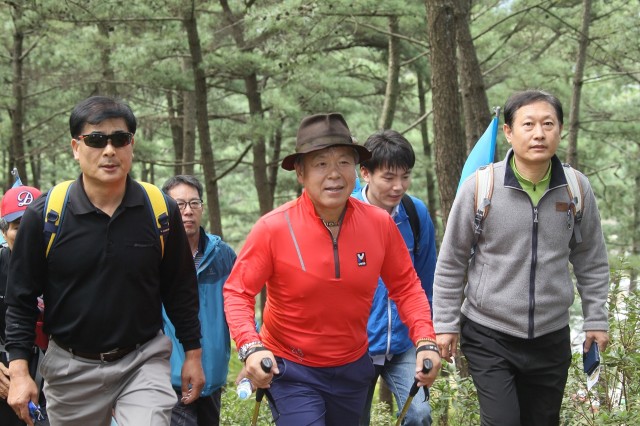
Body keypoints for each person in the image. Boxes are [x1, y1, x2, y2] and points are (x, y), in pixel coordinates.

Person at [223, 113, 441, 426]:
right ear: (300, 172)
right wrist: (250, 346)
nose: (334, 174)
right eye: (321, 164)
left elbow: (406, 287)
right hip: (291, 368)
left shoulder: (379, 224)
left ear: (356, 169)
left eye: (343, 162)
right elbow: (237, 291)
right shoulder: (273, 228)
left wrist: (426, 339)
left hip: (352, 367)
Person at [4, 96, 205, 426]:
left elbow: (180, 289)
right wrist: (20, 370)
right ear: (75, 147)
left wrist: (193, 354)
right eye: (96, 140)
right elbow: (21, 300)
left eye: (119, 139)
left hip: (143, 359)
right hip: (71, 367)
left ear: (132, 145)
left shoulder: (159, 209)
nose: (109, 150)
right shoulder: (45, 215)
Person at [433, 90, 610, 426]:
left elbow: (591, 259)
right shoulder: (481, 187)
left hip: (551, 333)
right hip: (489, 331)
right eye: (528, 124)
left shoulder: (575, 188)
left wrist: (596, 319)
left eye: (548, 124)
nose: (539, 133)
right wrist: (444, 323)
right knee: (502, 421)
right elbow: (452, 260)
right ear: (509, 133)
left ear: (560, 130)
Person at [354, 130, 437, 426]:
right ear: (365, 172)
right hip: (356, 346)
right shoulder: (344, 214)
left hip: (404, 342)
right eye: (388, 177)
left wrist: (428, 337)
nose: (398, 186)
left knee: (419, 414)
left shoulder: (415, 213)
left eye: (406, 176)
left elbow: (426, 280)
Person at [161, 175, 237, 426]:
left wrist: (253, 347)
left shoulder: (222, 255)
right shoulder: (155, 255)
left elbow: (238, 304)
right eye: (179, 205)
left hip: (212, 376)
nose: (188, 211)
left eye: (194, 203)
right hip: (170, 379)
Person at [0, 184, 47, 426]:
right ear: (4, 229)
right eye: (18, 227)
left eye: (33, 225)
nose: (27, 233)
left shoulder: (65, 267)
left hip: (56, 374)